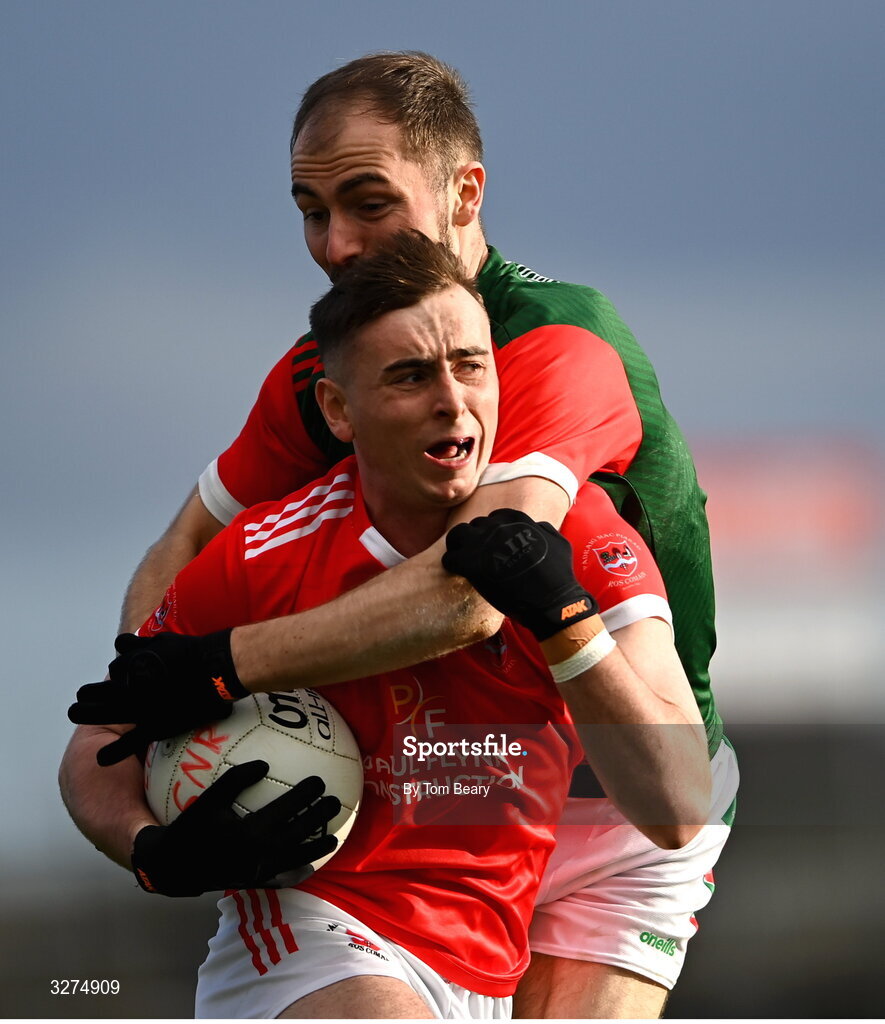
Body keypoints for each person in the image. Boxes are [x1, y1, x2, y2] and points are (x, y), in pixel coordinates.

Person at [63, 53, 736, 1018]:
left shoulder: (557, 342)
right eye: (309, 210)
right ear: (341, 406)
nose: (336, 243)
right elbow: (178, 561)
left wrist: (219, 667)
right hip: (434, 803)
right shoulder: (322, 369)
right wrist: (157, 750)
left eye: (369, 203)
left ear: (465, 193)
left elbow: (470, 591)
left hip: (624, 785)